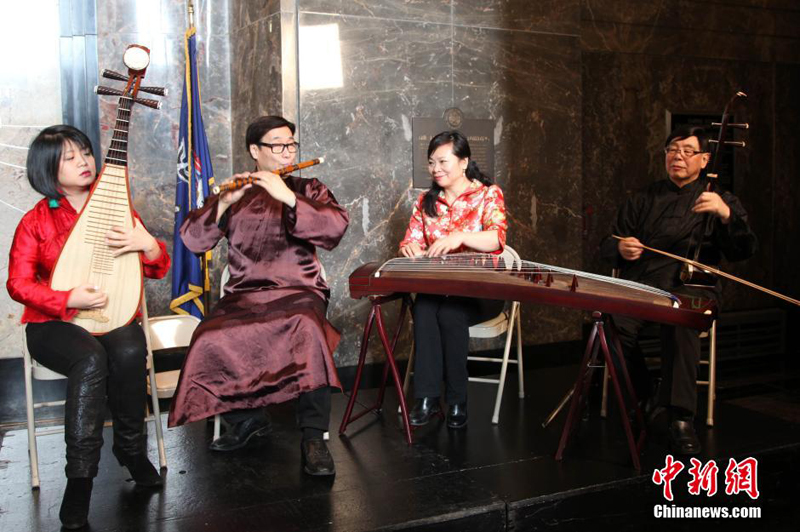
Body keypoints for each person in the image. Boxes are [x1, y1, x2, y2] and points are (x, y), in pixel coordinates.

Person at [6, 125, 171, 529]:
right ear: (48, 168)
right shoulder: (36, 221)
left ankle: (131, 450)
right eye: (69, 157)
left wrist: (148, 244)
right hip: (53, 324)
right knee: (91, 360)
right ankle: (79, 479)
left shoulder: (118, 208)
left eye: (85, 152)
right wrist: (67, 299)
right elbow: (18, 284)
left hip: (112, 316)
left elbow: (155, 266)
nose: (83, 161)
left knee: (132, 349)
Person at [168, 115, 349, 476]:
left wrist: (289, 198)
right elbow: (192, 241)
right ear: (255, 150)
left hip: (299, 291)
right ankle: (248, 419)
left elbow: (335, 227)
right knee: (208, 336)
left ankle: (313, 437)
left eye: (291, 144)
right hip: (244, 294)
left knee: (306, 327)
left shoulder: (308, 186)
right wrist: (221, 203)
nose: (287, 152)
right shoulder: (236, 193)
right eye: (277, 145)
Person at [600, 126, 757, 455]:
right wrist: (622, 248)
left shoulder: (718, 199)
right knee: (611, 323)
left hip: (691, 289)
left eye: (687, 151)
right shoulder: (644, 198)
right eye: (673, 149)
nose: (678, 157)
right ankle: (645, 394)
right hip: (641, 286)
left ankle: (680, 418)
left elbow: (744, 250)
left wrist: (726, 216)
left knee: (683, 319)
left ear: (704, 159)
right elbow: (607, 244)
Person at [399, 130, 507, 429]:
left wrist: (460, 236)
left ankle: (457, 400)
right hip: (438, 287)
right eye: (431, 162)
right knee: (423, 308)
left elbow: (497, 238)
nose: (436, 169)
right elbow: (411, 241)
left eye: (443, 161)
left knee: (450, 313)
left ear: (464, 162)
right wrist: (410, 249)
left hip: (481, 290)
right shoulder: (425, 201)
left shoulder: (488, 193)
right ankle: (427, 399)